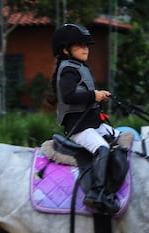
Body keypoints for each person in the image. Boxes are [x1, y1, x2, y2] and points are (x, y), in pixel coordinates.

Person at [50, 23, 119, 214]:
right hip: (79, 128)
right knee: (103, 149)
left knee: (120, 140)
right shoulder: (68, 69)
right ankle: (96, 194)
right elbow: (68, 95)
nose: (85, 49)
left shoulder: (79, 67)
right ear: (65, 49)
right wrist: (93, 95)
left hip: (93, 123)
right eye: (80, 46)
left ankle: (116, 186)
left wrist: (98, 96)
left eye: (86, 45)